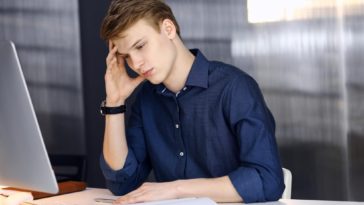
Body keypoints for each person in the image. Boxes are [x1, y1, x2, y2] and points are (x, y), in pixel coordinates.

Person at [99, 0, 285, 204]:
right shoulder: (146, 99)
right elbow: (122, 183)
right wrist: (115, 103)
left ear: (168, 29)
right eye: (126, 57)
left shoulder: (235, 88)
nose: (136, 64)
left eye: (141, 46)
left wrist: (177, 190)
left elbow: (267, 180)